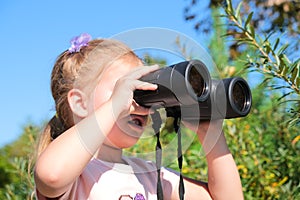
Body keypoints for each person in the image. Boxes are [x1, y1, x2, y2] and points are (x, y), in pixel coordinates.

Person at [34, 33, 244, 200]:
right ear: (80, 103)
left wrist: (210, 133)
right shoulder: (76, 175)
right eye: (127, 88)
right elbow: (52, 175)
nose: (141, 103)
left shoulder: (148, 174)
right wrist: (115, 105)